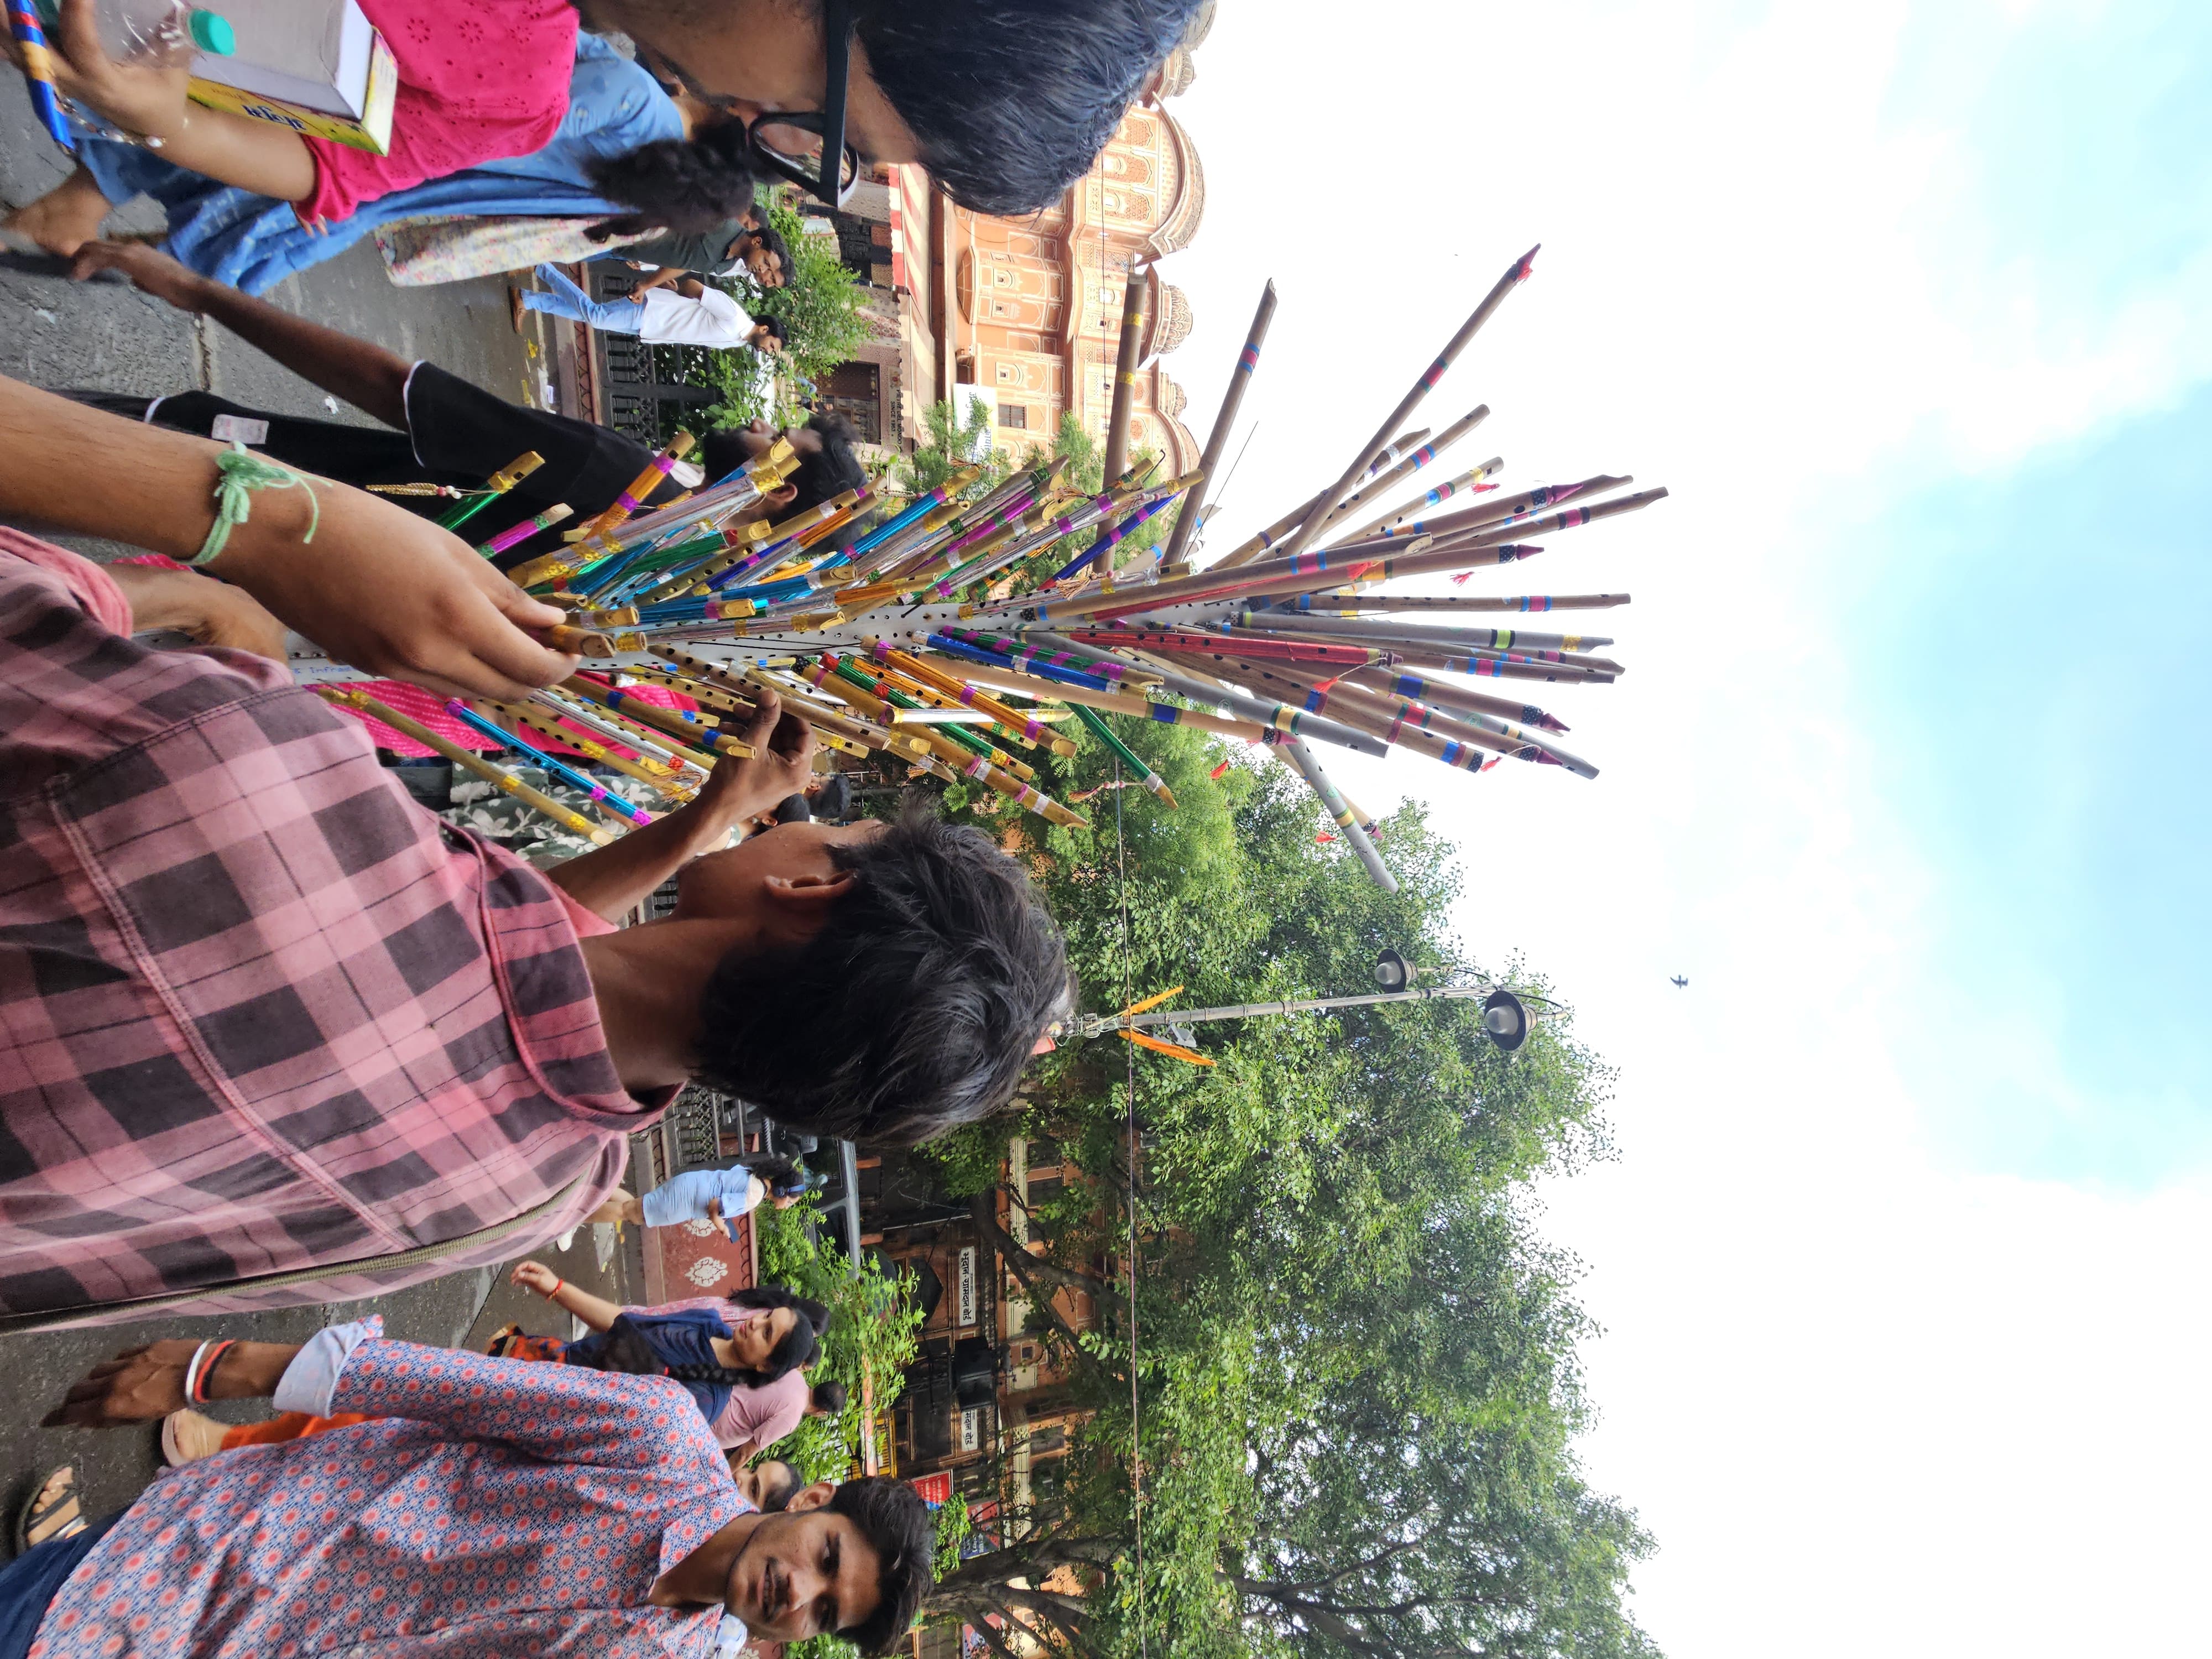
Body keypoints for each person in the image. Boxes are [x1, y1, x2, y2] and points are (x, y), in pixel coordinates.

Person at [0, 471, 1070, 1326]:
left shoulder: (269, 785)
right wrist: (704, 823)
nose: (791, 814)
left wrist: (261, 540)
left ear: (804, 889)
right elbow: (504, 971)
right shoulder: (540, 1193)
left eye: (829, 828)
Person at [25, 1319, 933, 1655]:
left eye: (823, 1613)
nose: (797, 1594)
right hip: (223, 1555)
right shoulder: (659, 1438)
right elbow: (446, 1384)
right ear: (814, 1505)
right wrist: (212, 1366)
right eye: (825, 1564)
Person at [60, 241, 857, 565]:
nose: (758, 423)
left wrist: (204, 293)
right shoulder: (663, 571)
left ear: (780, 489)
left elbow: (396, 390)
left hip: (226, 471)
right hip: (255, 552)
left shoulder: (629, 484)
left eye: (775, 436)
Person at [156, 1280, 830, 1459]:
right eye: (763, 1316)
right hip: (531, 1372)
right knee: (376, 1402)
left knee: (374, 1428)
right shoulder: (711, 1322)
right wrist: (560, 1289)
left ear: (767, 1368)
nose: (753, 1325)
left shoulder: (699, 1411)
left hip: (526, 1425)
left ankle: (226, 1449)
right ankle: (228, 1445)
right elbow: (626, 1320)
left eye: (765, 1334)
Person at [515, 262, 786, 354]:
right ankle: (543, 268)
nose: (768, 351)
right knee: (595, 316)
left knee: (590, 315)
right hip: (651, 309)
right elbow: (694, 286)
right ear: (765, 329)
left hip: (650, 326)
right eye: (772, 346)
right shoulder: (735, 315)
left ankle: (528, 299)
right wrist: (676, 291)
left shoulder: (738, 342)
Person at [593, 1154, 825, 1234]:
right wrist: (722, 1227)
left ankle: (591, 1187)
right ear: (782, 1192)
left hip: (688, 1186)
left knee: (635, 1208)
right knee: (630, 1213)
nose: (788, 1206)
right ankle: (577, 1214)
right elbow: (716, 1206)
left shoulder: (754, 1175)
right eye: (791, 1202)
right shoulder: (754, 1196)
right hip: (684, 1201)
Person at [615, 221, 793, 290]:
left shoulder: (727, 266)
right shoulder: (723, 222)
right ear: (757, 242)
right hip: (626, 230)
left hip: (625, 253)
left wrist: (647, 283)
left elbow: (685, 264)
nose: (763, 270)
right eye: (766, 263)